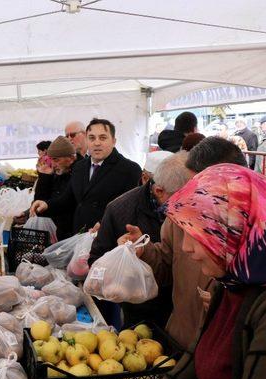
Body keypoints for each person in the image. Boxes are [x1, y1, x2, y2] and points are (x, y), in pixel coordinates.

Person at [131, 164, 266, 379]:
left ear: (235, 228)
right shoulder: (234, 280)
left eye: (198, 234)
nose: (186, 248)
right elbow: (203, 347)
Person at [119, 137, 248, 349]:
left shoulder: (262, 234)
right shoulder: (178, 219)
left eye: (200, 187)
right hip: (182, 337)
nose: (190, 195)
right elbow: (168, 263)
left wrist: (232, 304)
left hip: (227, 349)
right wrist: (146, 251)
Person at [31, 119, 141, 325]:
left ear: (114, 140)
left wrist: (105, 224)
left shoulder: (129, 169)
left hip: (109, 244)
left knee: (108, 296)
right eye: (92, 138)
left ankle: (112, 331)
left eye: (103, 138)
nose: (97, 143)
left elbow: (130, 209)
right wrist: (47, 205)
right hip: (81, 242)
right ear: (86, 141)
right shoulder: (80, 167)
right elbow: (70, 200)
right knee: (85, 295)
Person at [89, 152, 188, 329]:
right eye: (182, 195)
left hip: (182, 309)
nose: (188, 200)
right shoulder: (120, 210)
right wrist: (122, 258)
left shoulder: (189, 211)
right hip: (140, 314)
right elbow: (96, 261)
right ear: (158, 190)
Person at [33, 136, 78, 241]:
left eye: (56, 160)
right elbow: (40, 204)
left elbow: (65, 202)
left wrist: (47, 205)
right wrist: (45, 176)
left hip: (73, 234)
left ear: (71, 159)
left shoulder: (78, 175)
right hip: (60, 233)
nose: (53, 164)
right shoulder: (57, 175)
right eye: (51, 159)